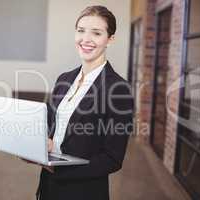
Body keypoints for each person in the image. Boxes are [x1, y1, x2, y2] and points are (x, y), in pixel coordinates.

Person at [24, 5, 134, 200]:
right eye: (81, 31)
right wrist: (37, 146)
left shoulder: (119, 90)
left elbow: (112, 159)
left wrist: (58, 170)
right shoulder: (64, 79)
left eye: (96, 33)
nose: (86, 39)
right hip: (49, 188)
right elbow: (51, 127)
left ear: (110, 39)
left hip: (83, 192)